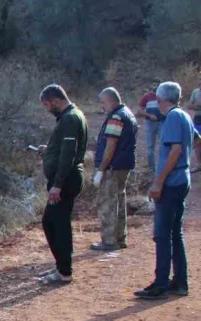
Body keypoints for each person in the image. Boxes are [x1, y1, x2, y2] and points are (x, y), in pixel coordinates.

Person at [135, 82, 192, 300]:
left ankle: (160, 284)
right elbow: (195, 140)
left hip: (172, 182)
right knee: (174, 232)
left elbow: (175, 151)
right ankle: (179, 282)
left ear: (160, 100)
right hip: (181, 178)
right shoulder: (184, 115)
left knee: (162, 234)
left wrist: (158, 182)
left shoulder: (172, 118)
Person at [37, 84, 87, 285]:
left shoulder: (70, 118)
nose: (47, 109)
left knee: (57, 223)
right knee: (53, 222)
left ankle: (64, 271)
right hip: (65, 178)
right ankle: (61, 266)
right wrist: (49, 150)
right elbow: (65, 148)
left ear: (56, 101)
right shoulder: (71, 116)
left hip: (66, 180)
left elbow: (69, 154)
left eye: (48, 104)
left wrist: (57, 185)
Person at [90, 87, 138, 252]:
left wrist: (101, 169)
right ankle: (120, 238)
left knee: (108, 202)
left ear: (111, 100)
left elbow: (110, 146)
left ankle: (109, 241)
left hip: (112, 167)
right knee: (119, 200)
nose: (101, 106)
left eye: (102, 102)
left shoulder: (116, 117)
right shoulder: (128, 113)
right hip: (124, 166)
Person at [137, 87, 164, 172]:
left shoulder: (163, 96)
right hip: (150, 123)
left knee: (164, 144)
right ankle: (151, 168)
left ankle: (163, 167)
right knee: (150, 146)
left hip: (161, 122)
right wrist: (149, 115)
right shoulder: (147, 97)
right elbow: (140, 111)